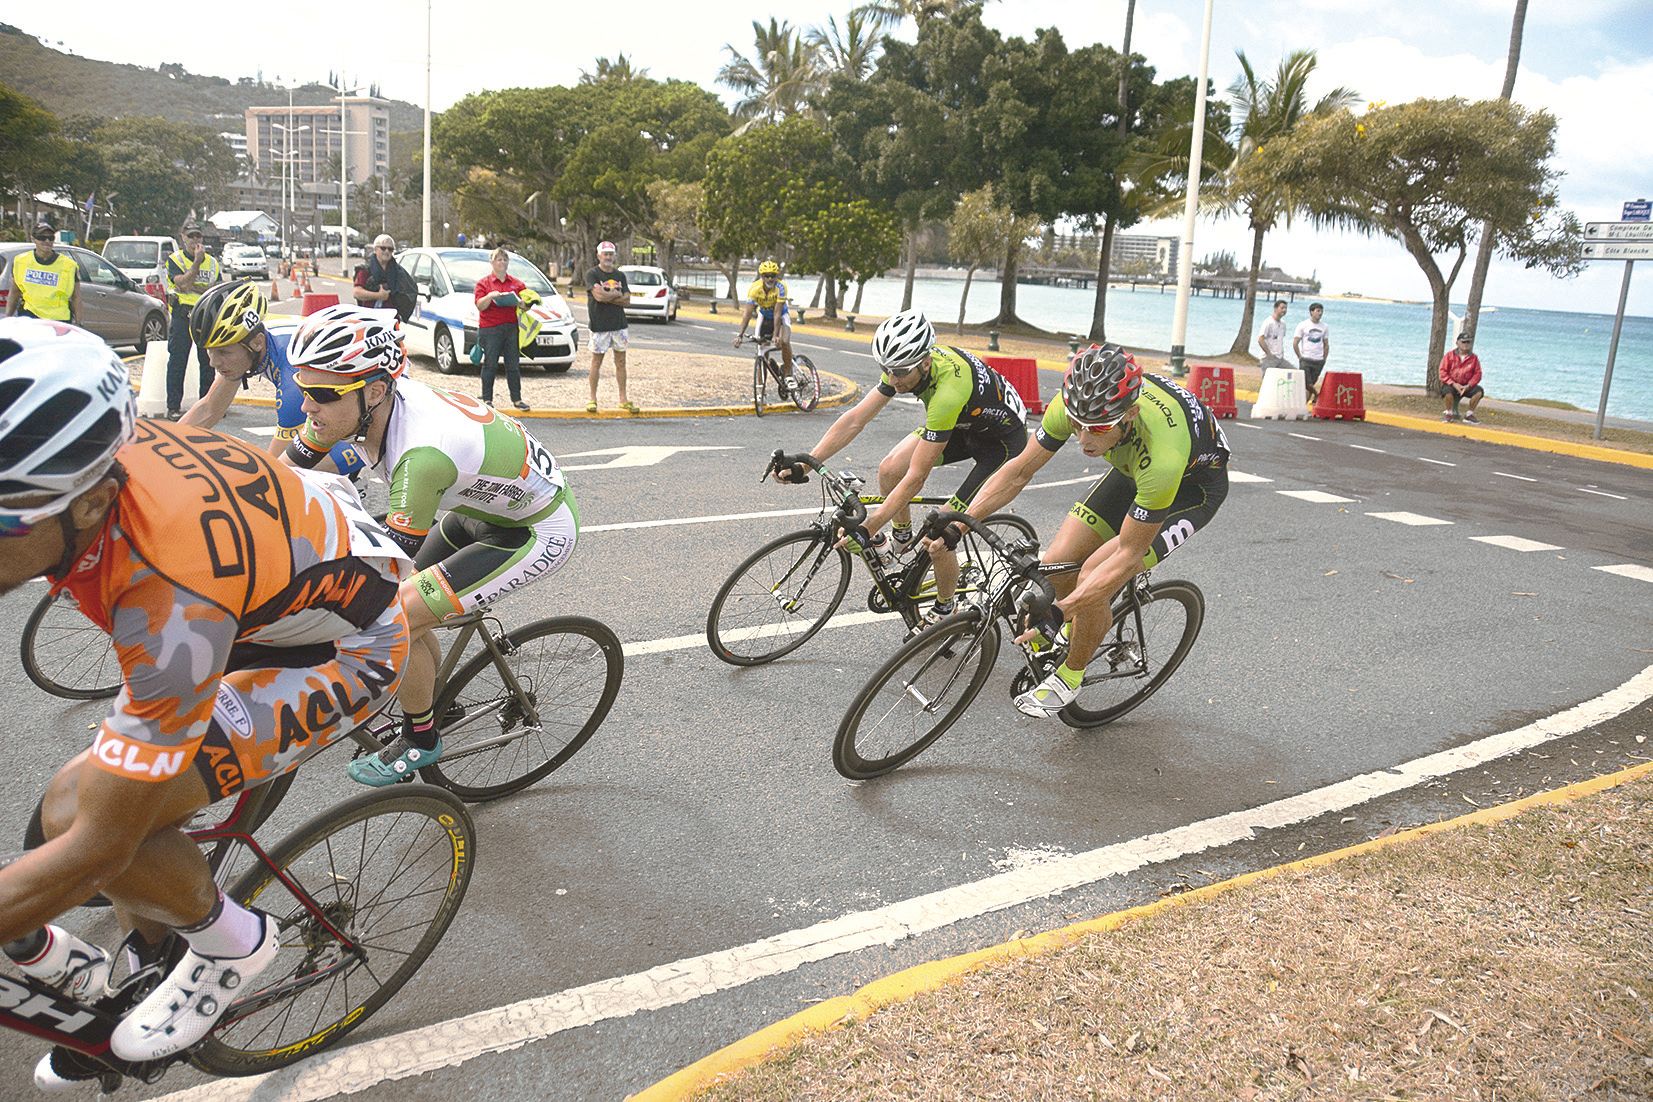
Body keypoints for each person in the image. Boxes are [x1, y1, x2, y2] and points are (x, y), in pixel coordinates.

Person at [0, 317, 411, 1083]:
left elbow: (97, 844)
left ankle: (231, 941)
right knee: (121, 802)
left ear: (86, 506)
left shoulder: (169, 604)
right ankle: (140, 954)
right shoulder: (97, 465)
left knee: (78, 813)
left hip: (339, 650)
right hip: (262, 596)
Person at [280, 305, 579, 784]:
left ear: (374, 390)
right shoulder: (360, 408)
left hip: (535, 530)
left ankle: (422, 738)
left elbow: (383, 577)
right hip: (482, 510)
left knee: (389, 614)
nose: (306, 404)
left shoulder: (420, 457)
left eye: (319, 392)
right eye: (301, 387)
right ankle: (437, 698)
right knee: (398, 605)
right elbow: (276, 473)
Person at [928, 345, 1230, 718]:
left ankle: (1070, 676)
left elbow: (1128, 554)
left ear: (1130, 415)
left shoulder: (1163, 458)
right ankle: (1074, 631)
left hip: (1191, 489)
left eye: (1098, 428)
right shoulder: (1072, 407)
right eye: (1077, 424)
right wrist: (960, 522)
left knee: (1093, 574)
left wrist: (1062, 610)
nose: (1085, 439)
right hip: (1131, 467)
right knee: (1057, 562)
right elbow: (1020, 471)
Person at [777, 309, 1027, 626]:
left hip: (1002, 445)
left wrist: (870, 525)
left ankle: (946, 607)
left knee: (940, 535)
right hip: (965, 426)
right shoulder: (905, 365)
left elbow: (916, 478)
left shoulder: (947, 393)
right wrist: (805, 464)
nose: (893, 379)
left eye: (899, 372)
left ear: (924, 362)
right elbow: (854, 420)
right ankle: (902, 539)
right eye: (887, 370)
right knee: (889, 469)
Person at [180, 278, 366, 473]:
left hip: (369, 426)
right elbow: (209, 409)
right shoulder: (254, 344)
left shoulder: (292, 376)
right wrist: (157, 450)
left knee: (281, 476)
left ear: (257, 343)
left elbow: (274, 468)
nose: (214, 362)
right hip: (350, 407)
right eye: (210, 351)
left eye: (223, 352)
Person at [163, 228, 221, 420]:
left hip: (205, 317)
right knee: (178, 362)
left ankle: (207, 405)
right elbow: (182, 283)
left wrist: (192, 284)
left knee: (208, 362)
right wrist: (196, 262)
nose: (195, 240)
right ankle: (173, 407)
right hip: (182, 316)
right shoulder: (176, 259)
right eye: (191, 236)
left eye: (198, 236)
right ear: (182, 238)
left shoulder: (213, 263)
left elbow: (217, 289)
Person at [473, 247, 531, 411]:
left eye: (505, 259)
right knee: (490, 364)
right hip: (490, 328)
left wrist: (522, 304)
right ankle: (487, 399)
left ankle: (517, 399)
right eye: (499, 259)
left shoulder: (516, 283)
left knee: (513, 365)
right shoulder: (483, 283)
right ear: (492, 262)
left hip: (511, 328)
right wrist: (491, 296)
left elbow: (527, 305)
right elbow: (480, 305)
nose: (502, 262)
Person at [585, 241, 638, 414]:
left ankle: (623, 398)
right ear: (599, 255)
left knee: (621, 362)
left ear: (614, 255)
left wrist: (609, 295)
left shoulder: (620, 276)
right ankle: (592, 399)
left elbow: (628, 299)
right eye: (605, 254)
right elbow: (598, 296)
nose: (608, 257)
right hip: (600, 325)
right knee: (596, 362)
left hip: (619, 326)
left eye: (611, 254)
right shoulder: (592, 274)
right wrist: (616, 295)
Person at [734, 260, 795, 386]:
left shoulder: (781, 287)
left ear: (777, 276)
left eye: (773, 275)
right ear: (761, 276)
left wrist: (775, 335)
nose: (770, 278)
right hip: (765, 317)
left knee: (784, 341)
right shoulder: (754, 289)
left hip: (782, 316)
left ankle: (788, 373)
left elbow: (777, 314)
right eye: (766, 275)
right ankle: (761, 389)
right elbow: (747, 314)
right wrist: (739, 335)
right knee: (761, 350)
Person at [5, 223, 80, 323]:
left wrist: (79, 323)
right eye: (42, 237)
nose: (47, 241)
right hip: (29, 316)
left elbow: (76, 297)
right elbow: (14, 292)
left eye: (50, 237)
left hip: (59, 319)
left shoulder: (69, 265)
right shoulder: (21, 261)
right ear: (33, 239)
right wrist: (8, 318)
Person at [353, 234, 418, 322]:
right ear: (375, 250)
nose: (387, 251)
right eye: (383, 248)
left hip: (391, 320)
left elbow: (410, 290)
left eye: (390, 249)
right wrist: (378, 296)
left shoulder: (399, 272)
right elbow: (357, 292)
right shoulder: (366, 269)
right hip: (369, 319)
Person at [1439, 332, 1485, 423]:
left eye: (1468, 342)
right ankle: (1449, 413)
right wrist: (1453, 383)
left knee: (1479, 391)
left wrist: (1468, 385)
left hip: (1466, 385)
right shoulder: (1449, 355)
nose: (1466, 344)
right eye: (1463, 342)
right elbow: (1442, 371)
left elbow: (1477, 374)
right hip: (1451, 384)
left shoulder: (1474, 358)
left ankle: (1469, 415)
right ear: (1457, 343)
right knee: (1447, 391)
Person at [1293, 302, 1330, 403]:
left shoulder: (1324, 327)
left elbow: (1326, 344)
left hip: (1318, 360)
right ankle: (1317, 394)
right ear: (1311, 312)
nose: (1320, 313)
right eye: (1318, 311)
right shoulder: (1303, 325)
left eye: (1321, 311)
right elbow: (1295, 342)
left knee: (1311, 384)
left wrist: (1324, 359)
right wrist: (1299, 356)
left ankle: (1303, 406)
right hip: (1306, 358)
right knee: (1306, 383)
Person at [1256, 299, 1289, 372]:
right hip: (1268, 358)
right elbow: (1260, 339)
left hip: (1280, 358)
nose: (1284, 310)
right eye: (1282, 308)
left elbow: (1279, 340)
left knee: (1293, 373)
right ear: (1275, 308)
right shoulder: (1268, 322)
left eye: (1286, 308)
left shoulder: (1283, 324)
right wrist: (1269, 354)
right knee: (1267, 381)